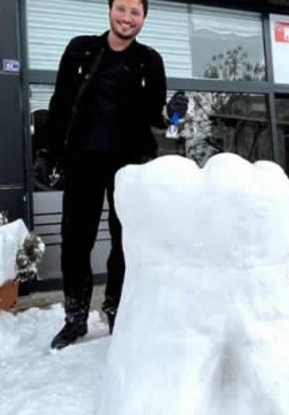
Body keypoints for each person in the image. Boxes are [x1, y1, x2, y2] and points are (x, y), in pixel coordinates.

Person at [43, 0, 184, 350]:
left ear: (144, 19)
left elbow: (156, 117)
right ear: (110, 10)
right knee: (76, 242)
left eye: (135, 12)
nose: (127, 18)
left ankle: (116, 309)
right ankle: (75, 318)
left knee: (125, 243)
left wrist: (172, 115)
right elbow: (60, 103)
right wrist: (47, 152)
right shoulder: (80, 49)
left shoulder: (150, 60)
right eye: (122, 9)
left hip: (129, 167)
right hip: (82, 162)